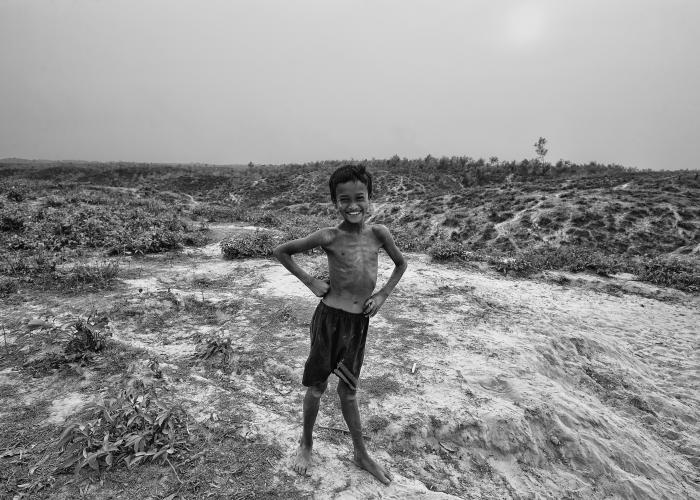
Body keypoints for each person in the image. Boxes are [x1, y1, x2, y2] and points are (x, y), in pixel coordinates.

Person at [273, 164, 407, 485]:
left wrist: (383, 294)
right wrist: (310, 282)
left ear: (369, 198)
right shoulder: (328, 236)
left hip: (358, 324)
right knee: (317, 387)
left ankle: (361, 454)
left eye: (359, 197)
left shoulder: (379, 235)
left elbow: (401, 264)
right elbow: (282, 251)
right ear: (335, 202)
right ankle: (306, 444)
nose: (352, 206)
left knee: (348, 392)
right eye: (344, 199)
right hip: (329, 321)